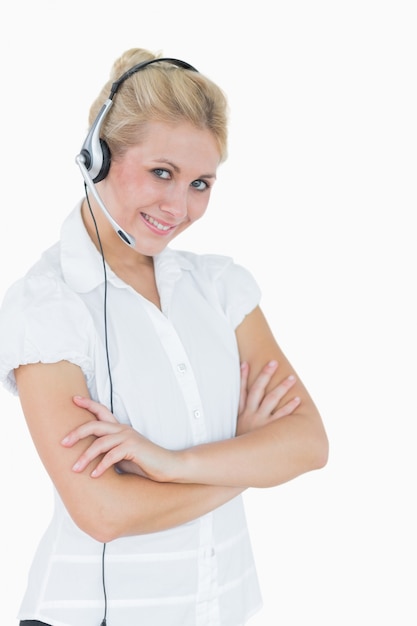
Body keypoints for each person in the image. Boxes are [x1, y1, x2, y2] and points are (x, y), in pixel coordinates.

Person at [0, 48, 328, 626]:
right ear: (97, 156)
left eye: (201, 182)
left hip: (224, 608)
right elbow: (103, 512)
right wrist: (246, 459)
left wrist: (166, 465)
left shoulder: (221, 289)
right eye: (161, 173)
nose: (179, 206)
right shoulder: (47, 307)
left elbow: (308, 445)